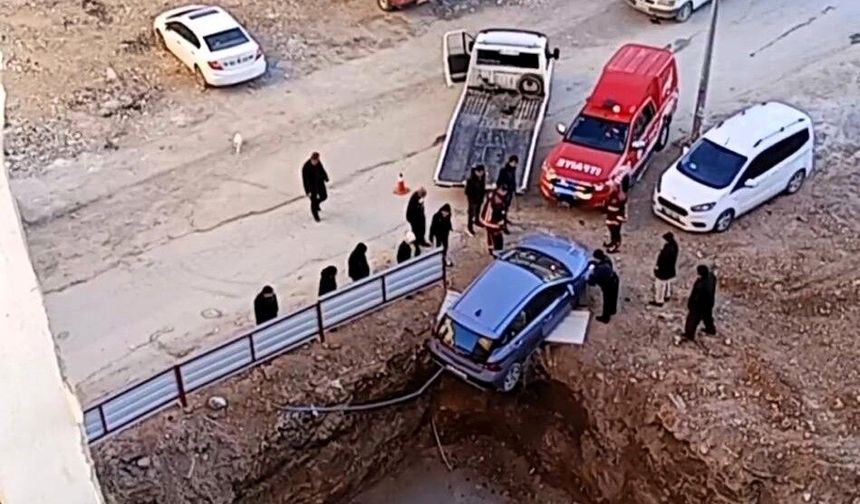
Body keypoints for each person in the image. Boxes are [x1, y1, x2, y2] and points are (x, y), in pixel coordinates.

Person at [683, 265, 718, 341]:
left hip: (699, 306)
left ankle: (689, 335)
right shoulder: (711, 278)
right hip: (709, 304)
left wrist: (691, 305)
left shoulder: (701, 285)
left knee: (692, 320)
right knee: (707, 317)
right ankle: (711, 330)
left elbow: (696, 297)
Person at [587, 249, 619, 324]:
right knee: (613, 298)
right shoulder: (606, 259)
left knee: (607, 300)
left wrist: (589, 278)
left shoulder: (603, 268)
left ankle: (605, 318)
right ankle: (612, 311)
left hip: (609, 284)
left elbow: (593, 280)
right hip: (614, 280)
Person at [650, 232, 679, 307]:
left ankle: (659, 300)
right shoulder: (674, 246)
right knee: (667, 283)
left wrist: (657, 268)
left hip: (663, 271)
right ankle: (667, 295)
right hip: (670, 270)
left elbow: (662, 261)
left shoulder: (667, 250)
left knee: (659, 286)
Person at [603, 175, 629, 253]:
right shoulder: (613, 194)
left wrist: (622, 217)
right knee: (612, 231)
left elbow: (622, 206)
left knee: (616, 232)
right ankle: (612, 242)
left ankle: (615, 245)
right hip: (611, 215)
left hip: (616, 217)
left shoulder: (621, 196)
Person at [301, 152, 329, 222]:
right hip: (311, 186)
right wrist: (307, 191)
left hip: (319, 182)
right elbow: (305, 181)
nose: (316, 162)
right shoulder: (306, 167)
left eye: (317, 160)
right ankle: (316, 216)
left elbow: (322, 170)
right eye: (314, 160)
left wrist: (325, 177)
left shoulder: (318, 163)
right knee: (313, 201)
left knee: (324, 196)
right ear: (311, 159)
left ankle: (317, 203)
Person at [480, 187, 508, 255]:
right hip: (492, 226)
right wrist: (497, 226)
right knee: (494, 240)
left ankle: (496, 250)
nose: (501, 200)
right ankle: (494, 252)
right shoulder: (491, 206)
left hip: (496, 225)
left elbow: (502, 212)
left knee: (498, 240)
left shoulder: (499, 203)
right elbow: (485, 221)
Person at [497, 155, 518, 233]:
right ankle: (503, 225)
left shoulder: (513, 170)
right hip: (504, 193)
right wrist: (503, 189)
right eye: (514, 163)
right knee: (503, 209)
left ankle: (504, 219)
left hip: (509, 192)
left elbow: (513, 181)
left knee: (506, 208)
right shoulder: (504, 171)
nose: (515, 165)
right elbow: (499, 182)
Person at [464, 165, 487, 236]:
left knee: (478, 211)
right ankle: (469, 227)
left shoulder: (482, 179)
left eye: (482, 172)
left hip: (479, 198)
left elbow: (483, 188)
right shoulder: (470, 180)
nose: (481, 173)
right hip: (473, 200)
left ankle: (477, 221)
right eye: (479, 172)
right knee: (471, 214)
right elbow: (467, 191)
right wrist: (472, 198)